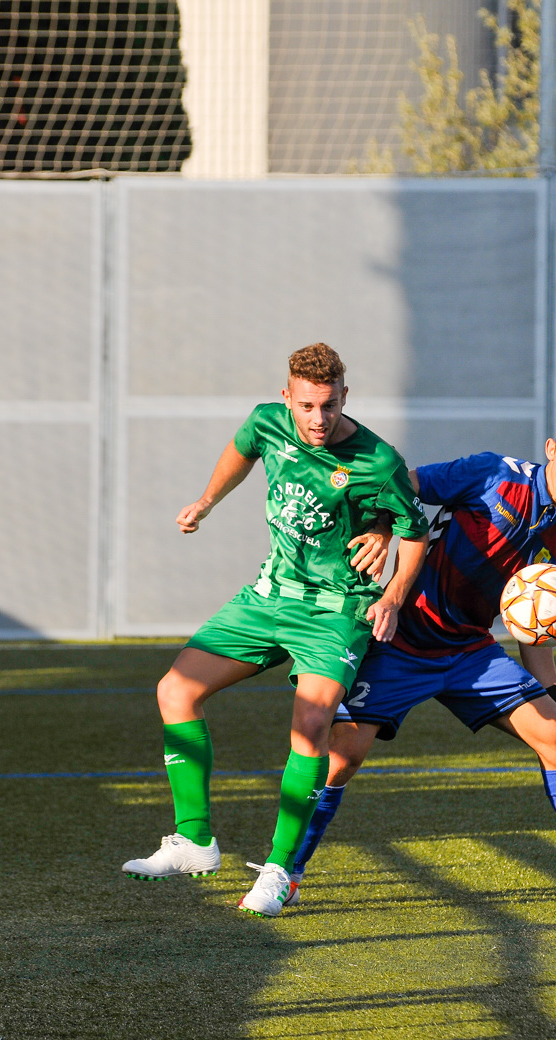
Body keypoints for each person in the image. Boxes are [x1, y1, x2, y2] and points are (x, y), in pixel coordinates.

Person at [287, 406, 556, 903]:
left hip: (470, 650)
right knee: (342, 757)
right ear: (550, 450)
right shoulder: (492, 474)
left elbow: (532, 632)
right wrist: (386, 530)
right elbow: (401, 485)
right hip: (402, 638)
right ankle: (287, 872)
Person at [121, 343, 430, 917]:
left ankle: (281, 871)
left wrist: (393, 593)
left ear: (345, 397)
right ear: (287, 396)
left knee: (312, 724)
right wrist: (207, 500)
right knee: (175, 691)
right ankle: (194, 842)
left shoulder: (378, 460)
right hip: (268, 596)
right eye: (307, 405)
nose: (318, 419)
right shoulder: (268, 422)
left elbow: (417, 531)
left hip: (336, 610)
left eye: (330, 405)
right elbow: (241, 450)